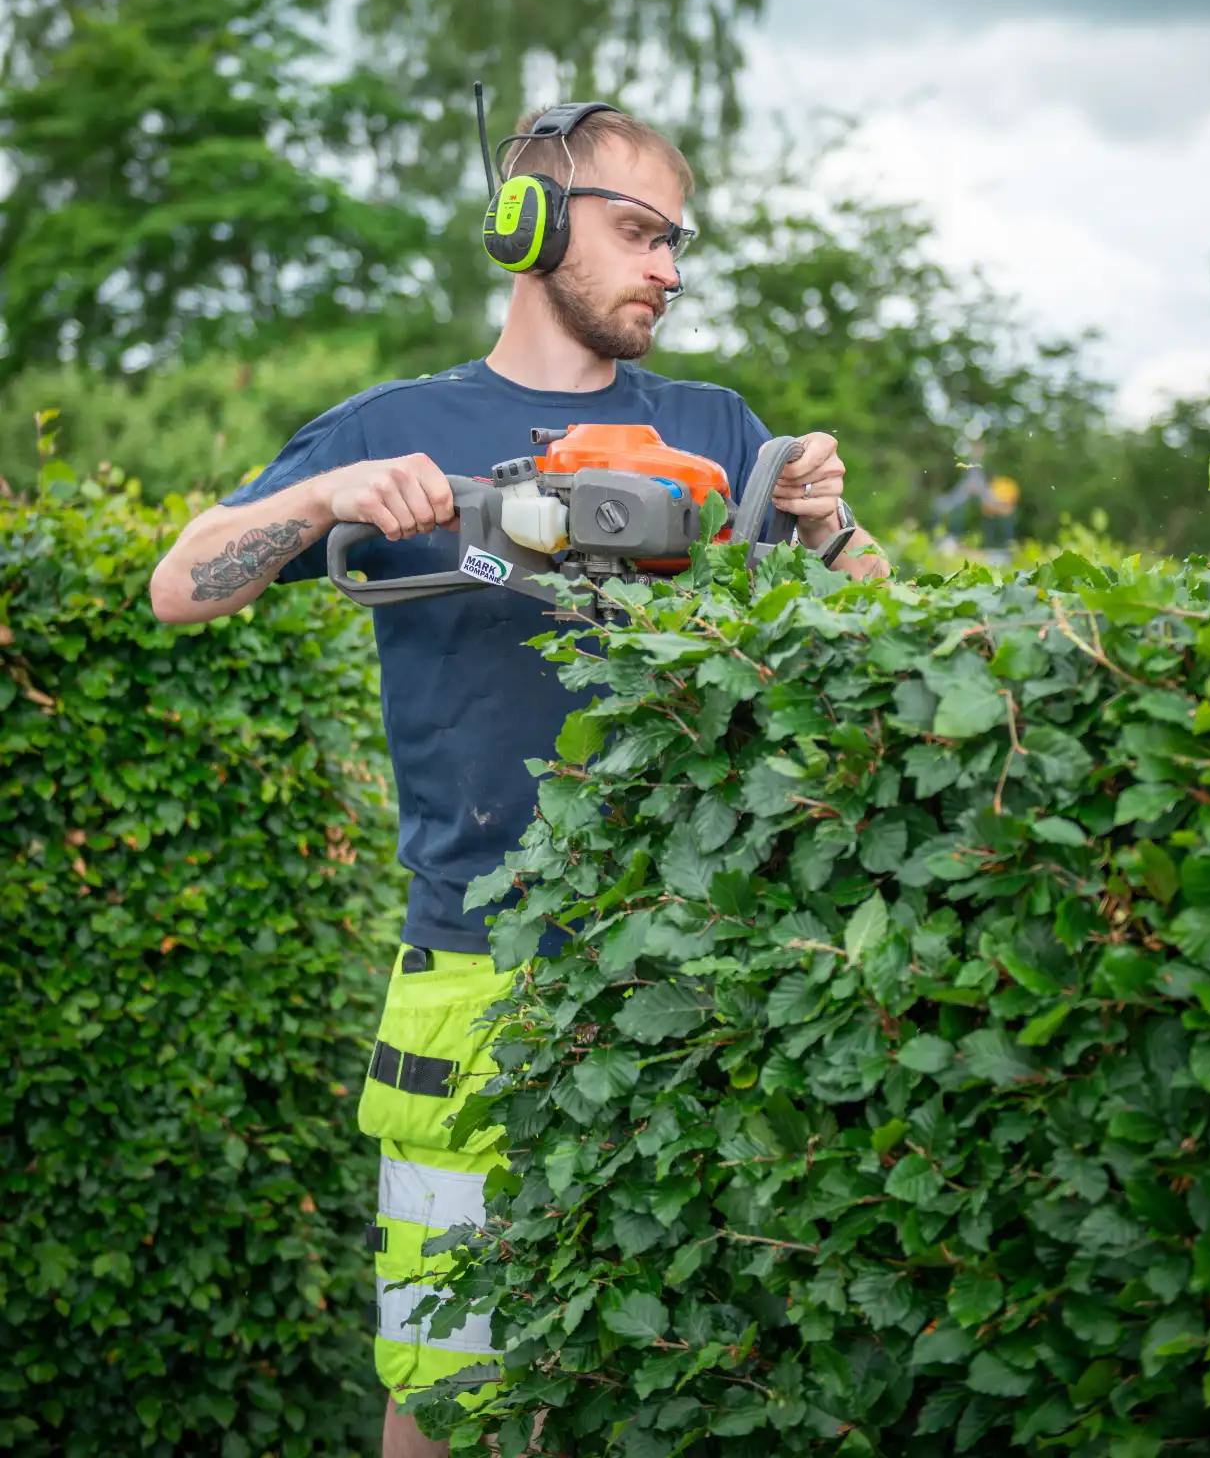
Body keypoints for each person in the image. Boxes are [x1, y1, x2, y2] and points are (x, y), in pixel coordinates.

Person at [150, 101, 889, 1458]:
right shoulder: (399, 426)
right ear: (530, 225)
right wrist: (324, 500)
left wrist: (828, 523)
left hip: (694, 983)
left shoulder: (720, 429)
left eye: (678, 243)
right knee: (445, 1387)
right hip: (472, 976)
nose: (668, 267)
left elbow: (881, 639)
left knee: (670, 1379)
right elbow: (178, 585)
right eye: (640, 232)